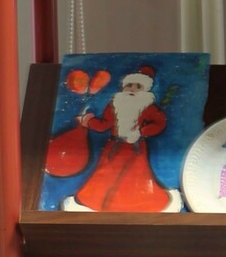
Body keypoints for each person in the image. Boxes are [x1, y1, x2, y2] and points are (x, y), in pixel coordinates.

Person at [62, 65, 183, 212]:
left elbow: (159, 123)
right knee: (105, 174)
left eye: (138, 86)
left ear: (145, 89)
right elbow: (105, 124)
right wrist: (89, 121)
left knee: (136, 175)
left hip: (136, 148)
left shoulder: (148, 107)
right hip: (114, 147)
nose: (132, 89)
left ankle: (137, 205)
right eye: (129, 85)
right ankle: (94, 202)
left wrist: (142, 131)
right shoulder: (115, 104)